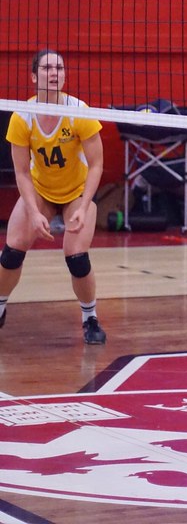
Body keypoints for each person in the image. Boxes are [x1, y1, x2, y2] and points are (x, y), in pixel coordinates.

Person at [1, 49, 106, 344]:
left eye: (59, 68)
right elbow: (21, 172)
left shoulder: (78, 111)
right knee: (11, 253)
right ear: (35, 77)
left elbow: (97, 164)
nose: (54, 73)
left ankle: (90, 318)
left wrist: (84, 207)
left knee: (77, 258)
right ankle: (0, 307)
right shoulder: (22, 116)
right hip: (40, 192)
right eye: (47, 68)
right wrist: (34, 212)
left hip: (76, 193)